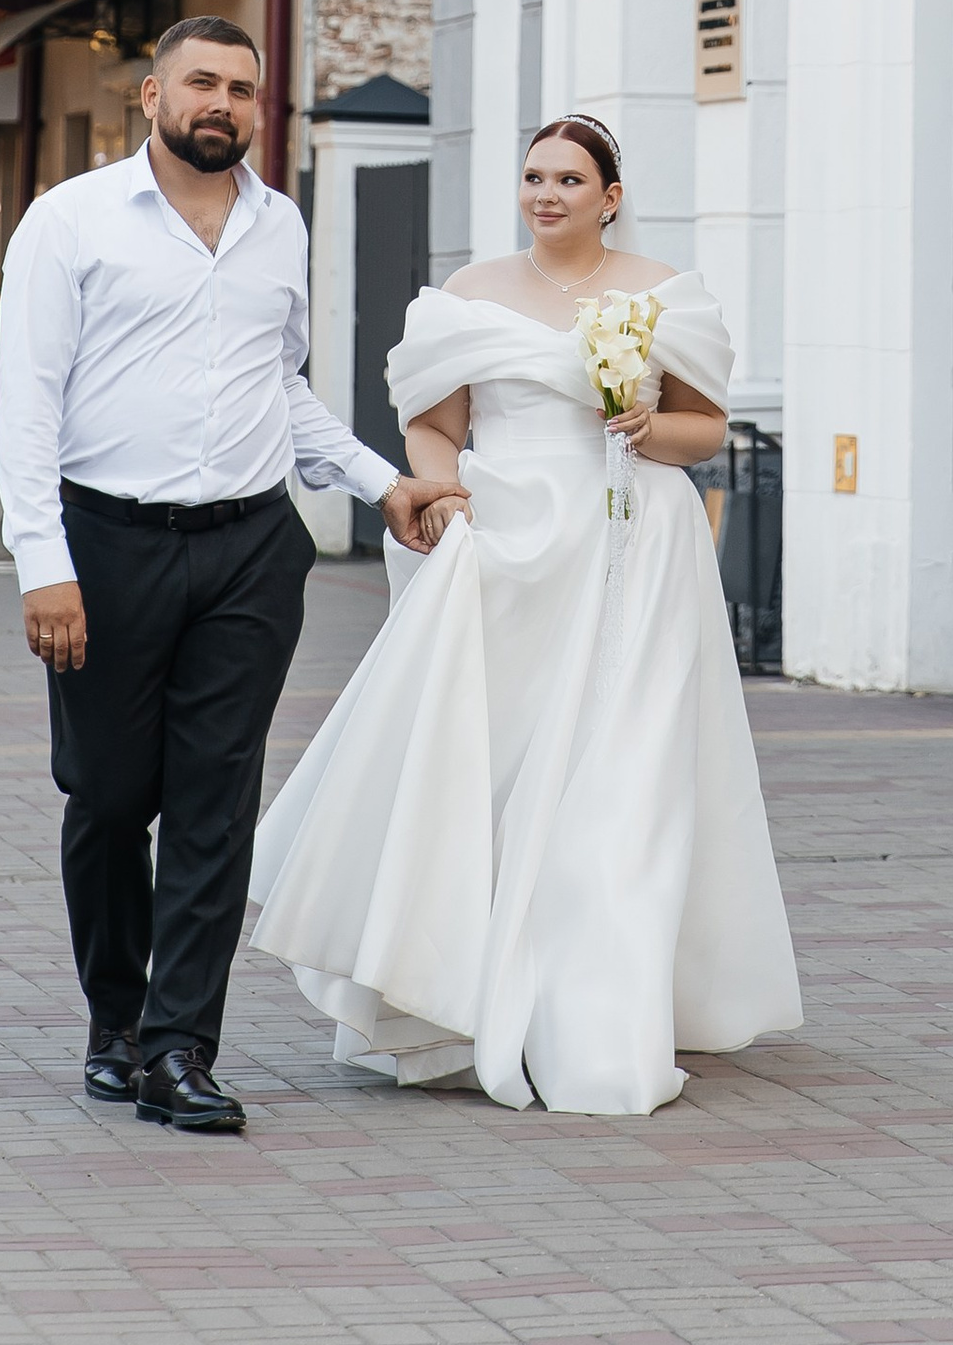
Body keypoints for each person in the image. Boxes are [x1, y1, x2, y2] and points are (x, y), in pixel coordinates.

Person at [250, 113, 803, 1118]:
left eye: (568, 179)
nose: (546, 194)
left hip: (635, 545)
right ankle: (467, 976)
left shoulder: (662, 295)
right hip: (509, 545)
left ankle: (603, 1004)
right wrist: (449, 505)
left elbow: (703, 428)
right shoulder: (468, 297)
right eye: (534, 177)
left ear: (610, 195)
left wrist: (646, 423)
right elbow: (432, 425)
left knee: (623, 772)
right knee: (499, 764)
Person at [0, 16, 460, 1136]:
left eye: (242, 89)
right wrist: (41, 564)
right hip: (105, 546)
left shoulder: (277, 224)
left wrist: (375, 480)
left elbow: (280, 385)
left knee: (216, 801)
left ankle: (177, 1049)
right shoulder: (71, 222)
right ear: (150, 95)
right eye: (201, 82)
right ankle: (114, 1021)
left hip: (251, 549)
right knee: (108, 799)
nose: (223, 103)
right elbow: (28, 405)